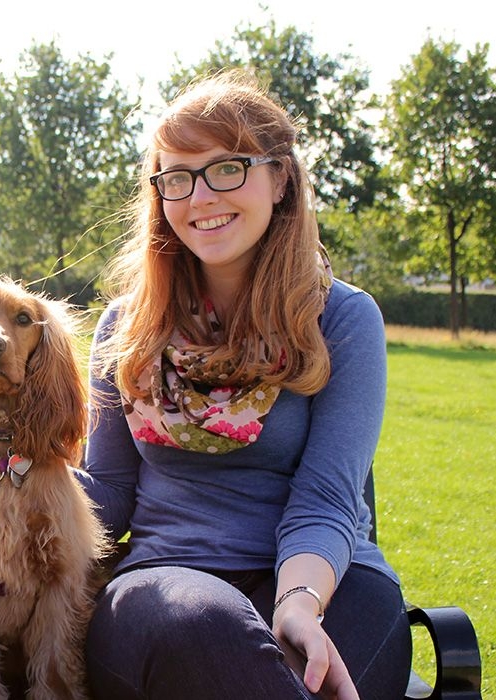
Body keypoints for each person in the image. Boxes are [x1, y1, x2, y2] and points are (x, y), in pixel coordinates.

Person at [78, 71, 412, 700]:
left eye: (227, 168)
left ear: (280, 177)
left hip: (328, 579)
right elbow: (110, 492)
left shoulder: (342, 319)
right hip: (168, 581)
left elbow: (328, 499)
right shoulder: (127, 327)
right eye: (177, 176)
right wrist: (15, 479)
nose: (200, 196)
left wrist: (299, 605)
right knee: (204, 628)